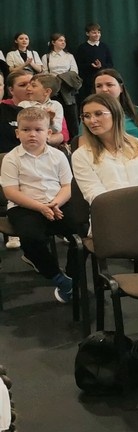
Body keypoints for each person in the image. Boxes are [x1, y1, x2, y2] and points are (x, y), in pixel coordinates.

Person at [72, 93, 138, 339]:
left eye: (98, 114)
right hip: (110, 223)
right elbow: (95, 195)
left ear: (115, 114)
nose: (92, 120)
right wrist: (132, 211)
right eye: (87, 116)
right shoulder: (81, 155)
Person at [1, 107, 82, 303]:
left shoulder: (58, 156)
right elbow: (11, 192)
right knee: (30, 239)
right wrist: (41, 207)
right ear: (17, 133)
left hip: (57, 203)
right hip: (25, 207)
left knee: (82, 230)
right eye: (26, 129)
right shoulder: (11, 158)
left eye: (38, 130)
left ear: (49, 133)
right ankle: (59, 278)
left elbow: (67, 186)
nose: (32, 134)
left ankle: (73, 276)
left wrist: (55, 203)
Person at [91, 69, 138, 139]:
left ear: (121, 88)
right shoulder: (89, 115)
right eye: (99, 86)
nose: (104, 89)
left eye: (109, 85)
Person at [73, 22, 114, 102]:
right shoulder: (82, 48)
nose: (97, 34)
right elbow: (78, 65)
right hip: (87, 82)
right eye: (94, 32)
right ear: (87, 33)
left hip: (103, 79)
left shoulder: (104, 47)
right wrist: (91, 65)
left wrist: (101, 66)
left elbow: (110, 64)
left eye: (98, 32)